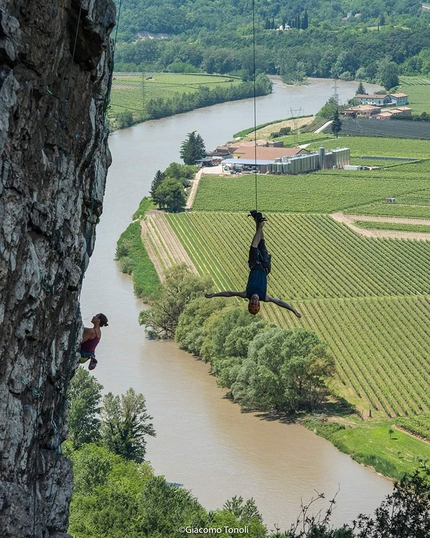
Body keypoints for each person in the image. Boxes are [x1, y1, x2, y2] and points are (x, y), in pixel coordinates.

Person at [205, 211, 301, 318]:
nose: (254, 302)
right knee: (261, 241)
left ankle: (259, 222)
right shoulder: (264, 297)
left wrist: (214, 295)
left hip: (254, 264)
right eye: (256, 304)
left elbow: (229, 293)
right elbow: (279, 302)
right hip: (265, 266)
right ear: (259, 303)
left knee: (254, 246)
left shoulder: (246, 294)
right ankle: (259, 222)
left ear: (249, 302)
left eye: (252, 303)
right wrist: (293, 310)